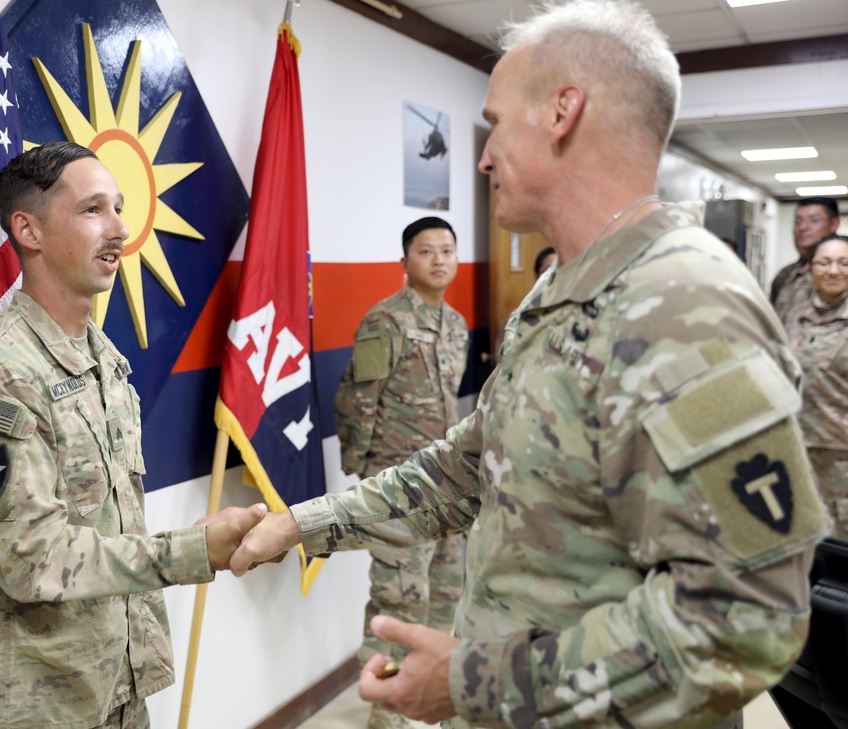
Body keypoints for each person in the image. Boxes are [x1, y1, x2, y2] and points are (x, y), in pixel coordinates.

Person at [230, 2, 828, 728]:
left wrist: (474, 681)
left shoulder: (686, 305)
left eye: (496, 122)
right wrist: (302, 522)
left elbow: (745, 619)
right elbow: (467, 468)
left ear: (561, 112)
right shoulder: (559, 291)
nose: (482, 155)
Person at [0, 141, 266, 729]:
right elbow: (31, 561)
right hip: (32, 704)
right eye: (93, 210)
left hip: (114, 683)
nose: (120, 229)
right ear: (28, 229)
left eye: (120, 207)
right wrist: (190, 551)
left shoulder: (101, 357)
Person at [334, 216, 469, 729]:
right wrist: (367, 477)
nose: (439, 260)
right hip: (400, 491)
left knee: (445, 594)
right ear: (405, 262)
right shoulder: (383, 321)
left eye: (447, 251)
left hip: (451, 490)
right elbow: (357, 399)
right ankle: (387, 714)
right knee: (397, 601)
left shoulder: (456, 325)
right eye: (426, 251)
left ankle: (426, 704)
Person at [785, 234, 848, 538]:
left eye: (843, 262)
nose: (833, 270)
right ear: (811, 268)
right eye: (824, 262)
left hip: (841, 458)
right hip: (796, 450)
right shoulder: (796, 315)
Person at [770, 197, 841, 325]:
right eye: (798, 221)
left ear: (834, 224)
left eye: (813, 220)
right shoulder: (786, 276)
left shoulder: (842, 273)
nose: (802, 227)